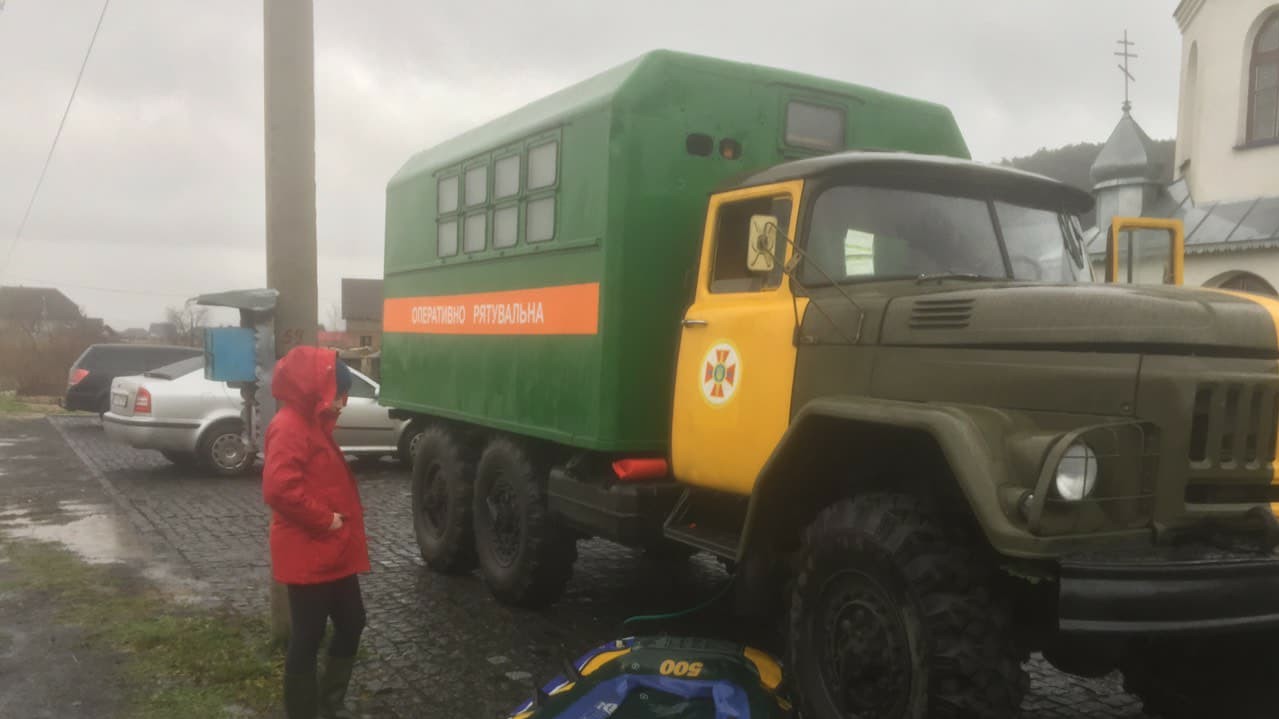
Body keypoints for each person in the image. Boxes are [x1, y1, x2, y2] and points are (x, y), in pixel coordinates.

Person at [262, 347, 370, 719]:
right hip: (308, 551)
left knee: (352, 621)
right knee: (308, 636)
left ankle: (329, 704)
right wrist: (325, 520)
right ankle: (304, 711)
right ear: (317, 388)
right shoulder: (289, 426)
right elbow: (279, 489)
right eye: (340, 393)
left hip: (332, 550)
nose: (343, 402)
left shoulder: (311, 422)